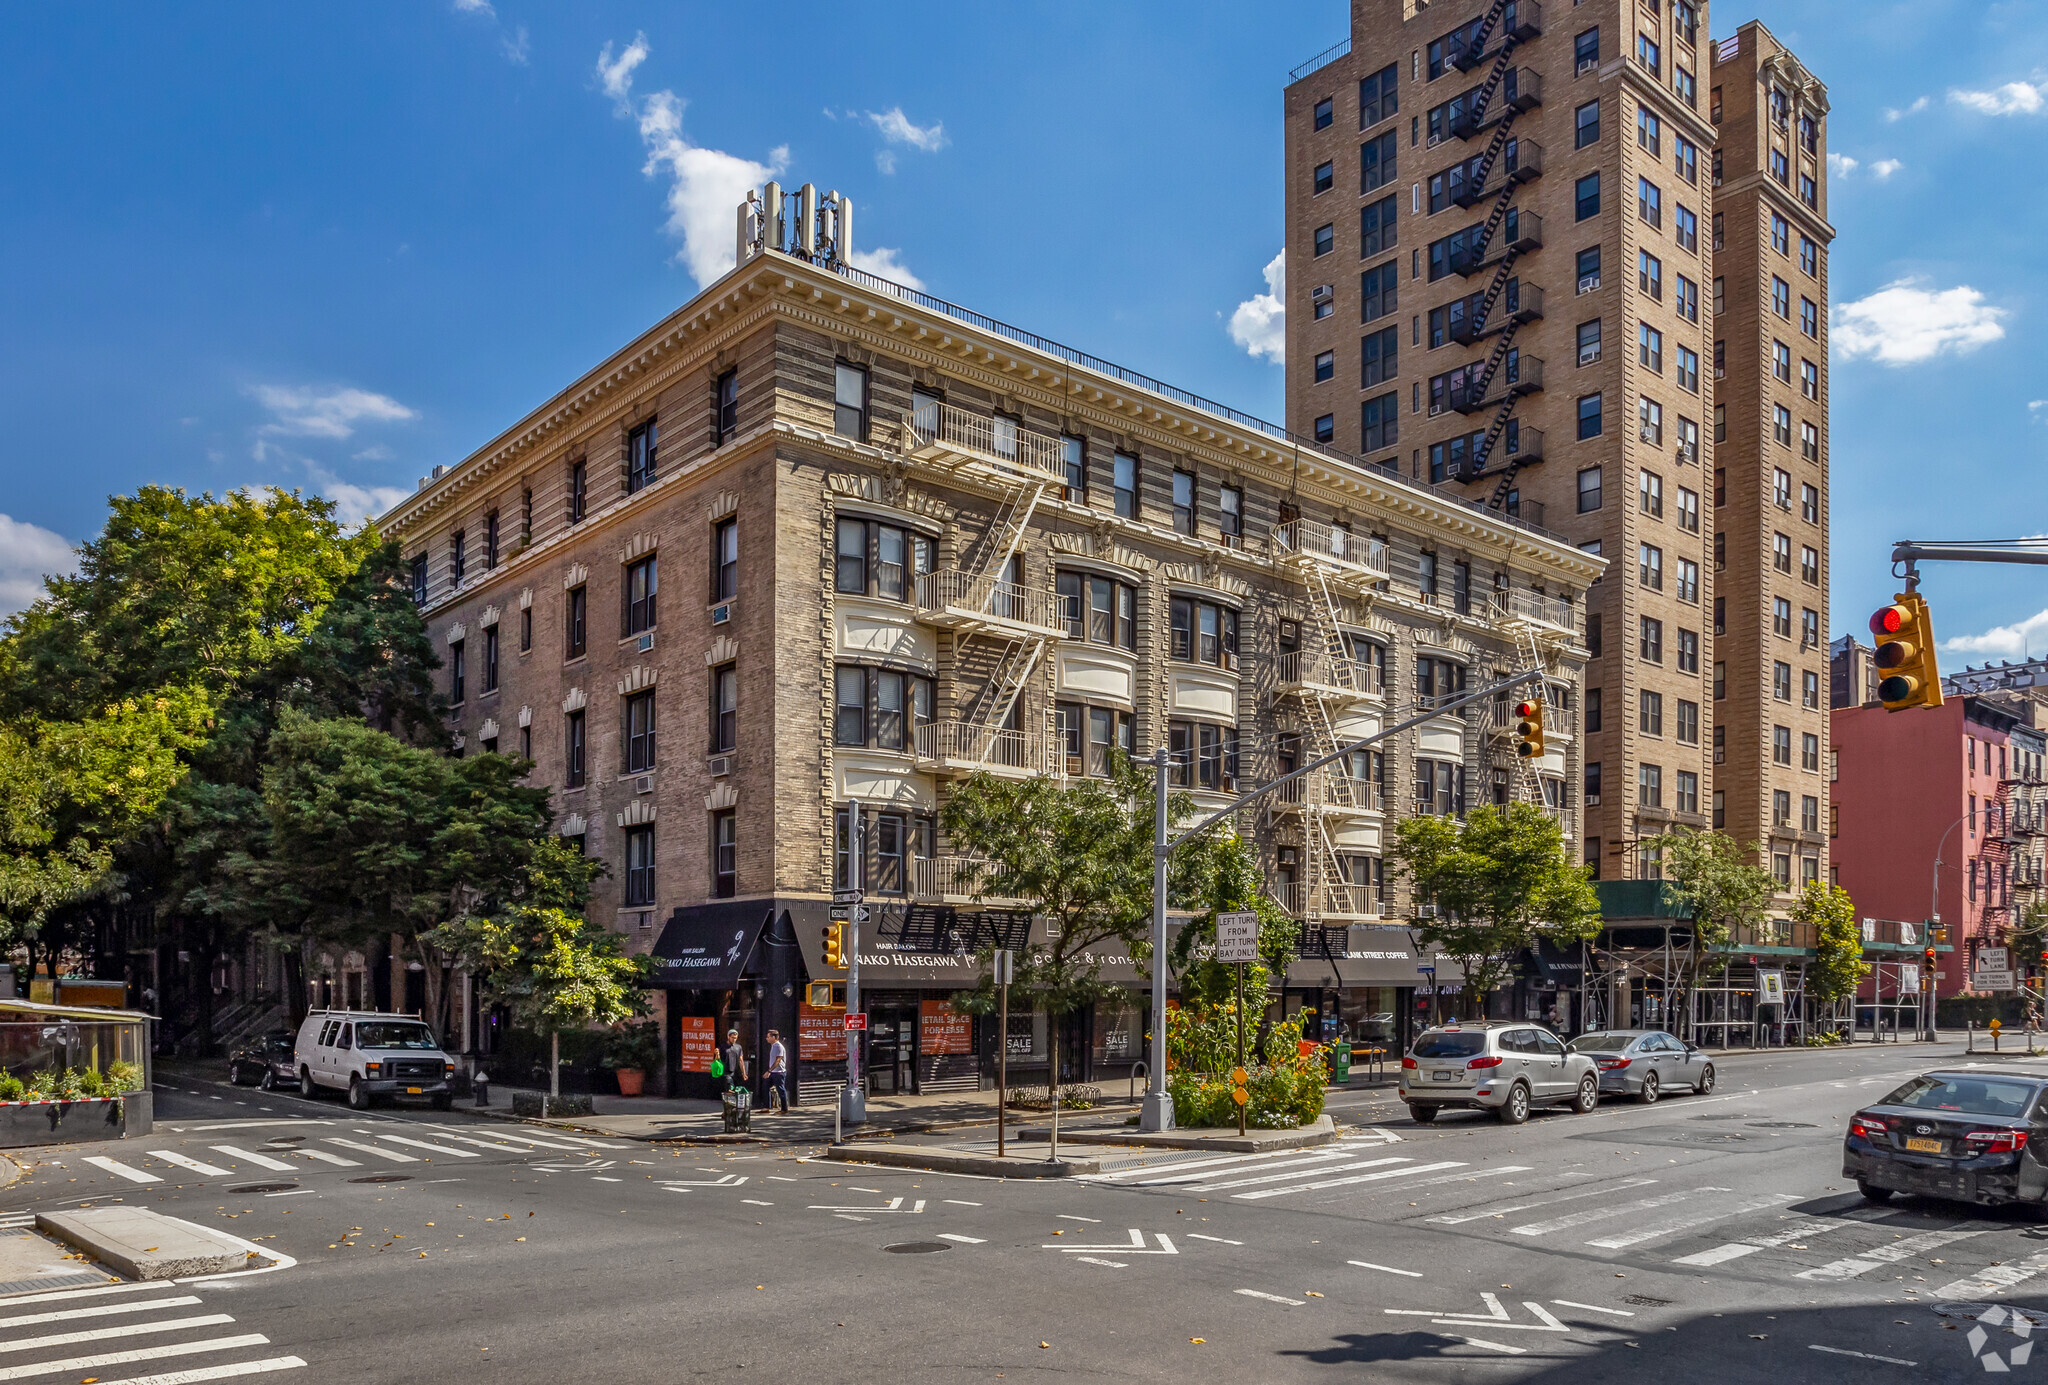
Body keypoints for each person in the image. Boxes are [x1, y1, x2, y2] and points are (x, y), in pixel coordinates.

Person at [763, 1029, 790, 1113]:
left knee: (781, 1090)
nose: (766, 1038)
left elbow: (778, 1060)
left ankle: (784, 1109)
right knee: (765, 1086)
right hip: (773, 1072)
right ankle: (767, 1107)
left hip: (779, 1072)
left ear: (774, 1037)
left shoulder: (778, 1046)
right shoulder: (773, 1046)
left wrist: (769, 1071)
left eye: (768, 1037)